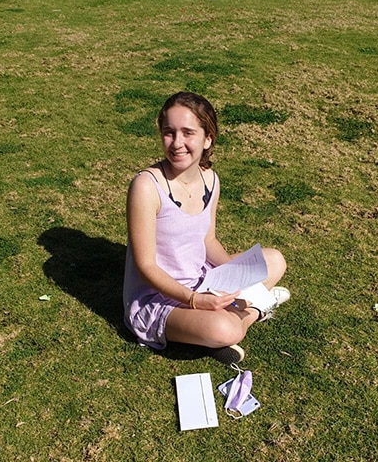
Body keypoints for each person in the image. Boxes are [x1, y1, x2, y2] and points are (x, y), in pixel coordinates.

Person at [123, 92, 290, 364]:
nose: (177, 143)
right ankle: (255, 311)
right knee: (227, 329)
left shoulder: (211, 179)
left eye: (188, 133)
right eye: (169, 132)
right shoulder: (145, 186)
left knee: (275, 260)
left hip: (203, 278)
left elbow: (208, 241)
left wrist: (240, 278)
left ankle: (215, 326)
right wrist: (194, 301)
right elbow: (146, 266)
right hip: (160, 297)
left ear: (207, 138)